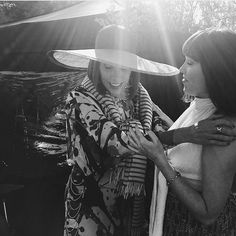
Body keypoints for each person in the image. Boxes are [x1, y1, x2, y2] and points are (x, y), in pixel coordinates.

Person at [48, 25, 236, 236]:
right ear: (95, 66)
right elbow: (115, 143)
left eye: (124, 68)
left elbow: (161, 129)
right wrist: (188, 134)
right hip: (89, 200)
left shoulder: (138, 96)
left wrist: (183, 133)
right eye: (108, 67)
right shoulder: (80, 98)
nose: (116, 77)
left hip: (127, 204)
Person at [127, 27, 236, 236]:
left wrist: (161, 160)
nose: (181, 69)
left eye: (191, 62)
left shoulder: (220, 130)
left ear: (216, 69)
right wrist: (184, 133)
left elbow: (208, 214)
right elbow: (183, 142)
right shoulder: (199, 106)